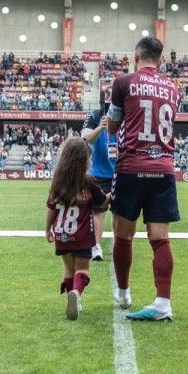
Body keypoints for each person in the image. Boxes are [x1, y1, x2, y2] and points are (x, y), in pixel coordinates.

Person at [106, 36, 181, 321]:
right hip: (163, 167)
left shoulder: (123, 82)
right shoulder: (173, 88)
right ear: (160, 60)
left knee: (123, 235)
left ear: (136, 55)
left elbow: (113, 126)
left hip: (131, 166)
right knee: (160, 239)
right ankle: (163, 302)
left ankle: (123, 292)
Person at [45, 137, 107, 321]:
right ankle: (76, 294)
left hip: (62, 234)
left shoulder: (58, 181)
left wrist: (47, 229)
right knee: (83, 271)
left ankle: (73, 299)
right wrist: (112, 195)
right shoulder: (88, 181)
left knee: (68, 268)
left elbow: (51, 207)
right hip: (81, 235)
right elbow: (102, 201)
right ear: (84, 159)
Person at [80, 94, 118, 262]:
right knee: (98, 212)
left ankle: (120, 246)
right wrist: (101, 127)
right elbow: (85, 137)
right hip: (99, 173)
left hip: (122, 171)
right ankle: (95, 246)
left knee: (120, 213)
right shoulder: (95, 116)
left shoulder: (127, 114)